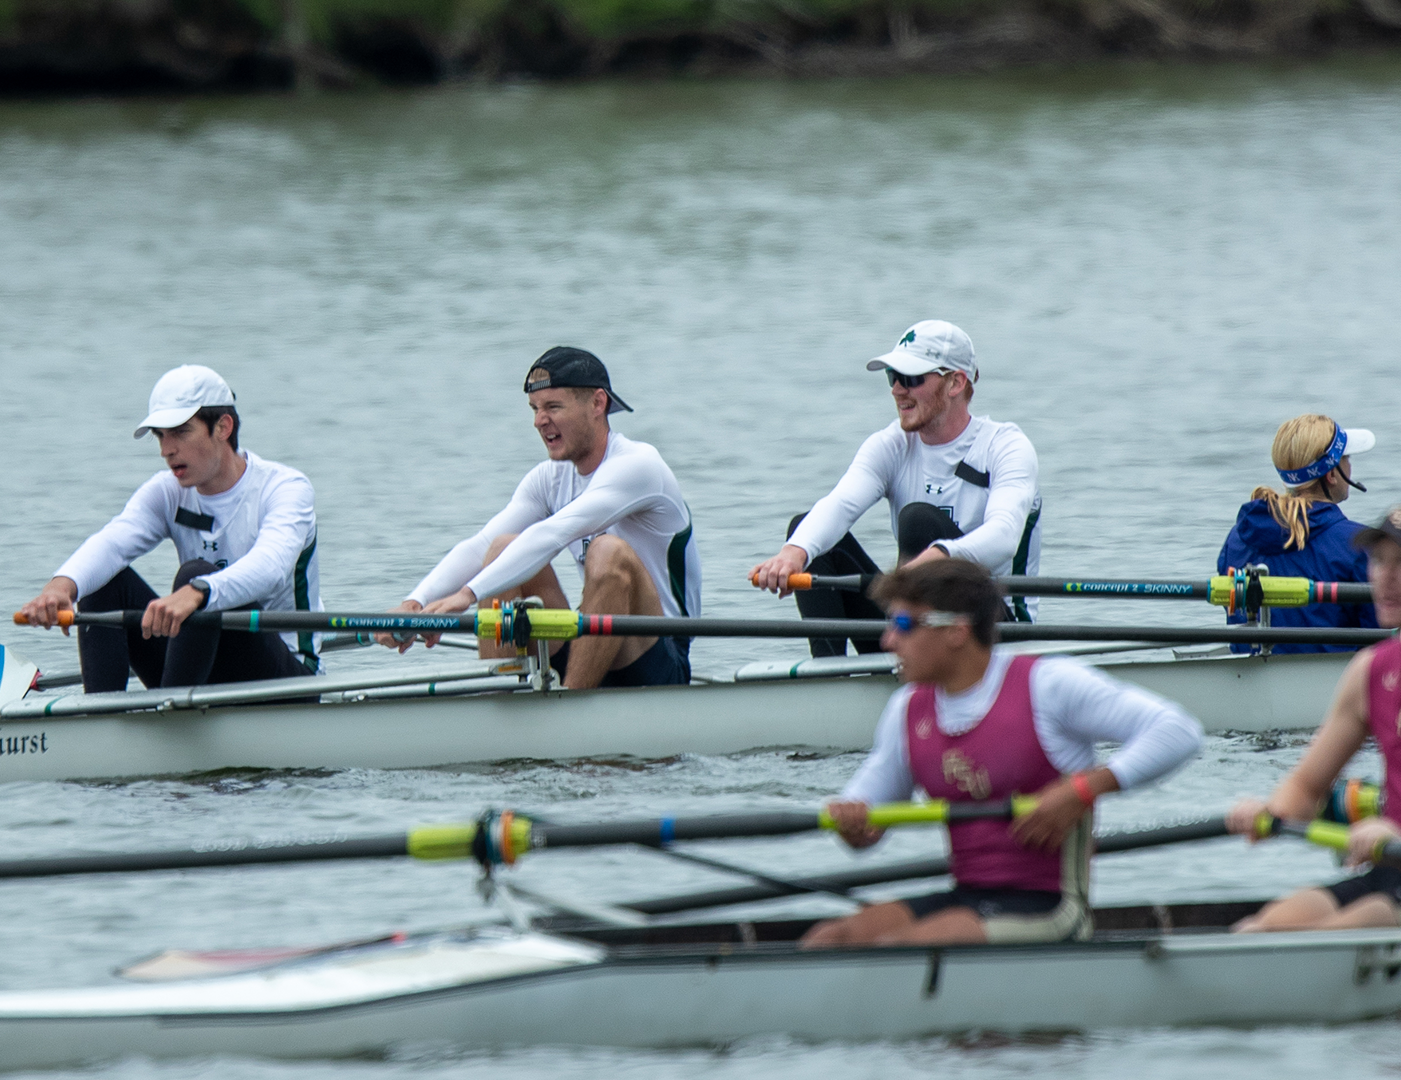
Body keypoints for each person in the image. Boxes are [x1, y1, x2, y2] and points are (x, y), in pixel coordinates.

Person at [801, 560, 1202, 948]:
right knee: (830, 939)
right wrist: (853, 826)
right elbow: (865, 817)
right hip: (967, 896)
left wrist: (1084, 788)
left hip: (1051, 907)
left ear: (956, 630)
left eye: (904, 624)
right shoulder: (907, 708)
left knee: (907, 945)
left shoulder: (1047, 685)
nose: (888, 641)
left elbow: (1178, 730)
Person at [384, 346, 700, 689]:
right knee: (502, 548)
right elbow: (480, 546)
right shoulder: (549, 479)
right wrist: (416, 603)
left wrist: (466, 596)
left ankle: (569, 706)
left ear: (598, 403)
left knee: (607, 551)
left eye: (553, 407)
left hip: (659, 655)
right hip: (594, 644)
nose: (539, 421)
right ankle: (498, 700)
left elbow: (553, 534)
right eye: (535, 409)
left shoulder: (639, 465)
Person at [17, 365, 321, 690]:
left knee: (194, 574)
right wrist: (60, 588)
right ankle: (102, 714)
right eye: (160, 436)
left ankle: (172, 712)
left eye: (180, 432)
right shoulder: (167, 492)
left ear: (223, 427)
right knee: (103, 582)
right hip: (199, 658)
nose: (166, 450)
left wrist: (198, 591)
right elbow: (112, 544)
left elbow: (270, 567)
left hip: (286, 676)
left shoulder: (285, 489)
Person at [750, 321, 1043, 657]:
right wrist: (794, 552)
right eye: (893, 377)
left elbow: (1004, 536)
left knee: (919, 520)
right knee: (809, 533)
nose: (897, 390)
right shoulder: (891, 445)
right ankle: (828, 672)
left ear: (956, 382)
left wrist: (936, 556)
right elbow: (840, 504)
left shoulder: (1006, 447)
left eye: (911, 378)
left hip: (992, 629)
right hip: (911, 619)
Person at [1226, 508, 1401, 931]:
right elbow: (1305, 788)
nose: (1386, 578)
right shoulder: (1370, 671)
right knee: (1260, 929)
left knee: (1358, 923)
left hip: (1391, 859)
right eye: (1379, 561)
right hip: (1390, 869)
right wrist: (1269, 811)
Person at [1216, 414, 1379, 653]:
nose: (1350, 466)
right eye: (1346, 458)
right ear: (1331, 475)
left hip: (1248, 671)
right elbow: (1382, 638)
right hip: (1335, 675)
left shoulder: (1237, 538)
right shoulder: (1361, 543)